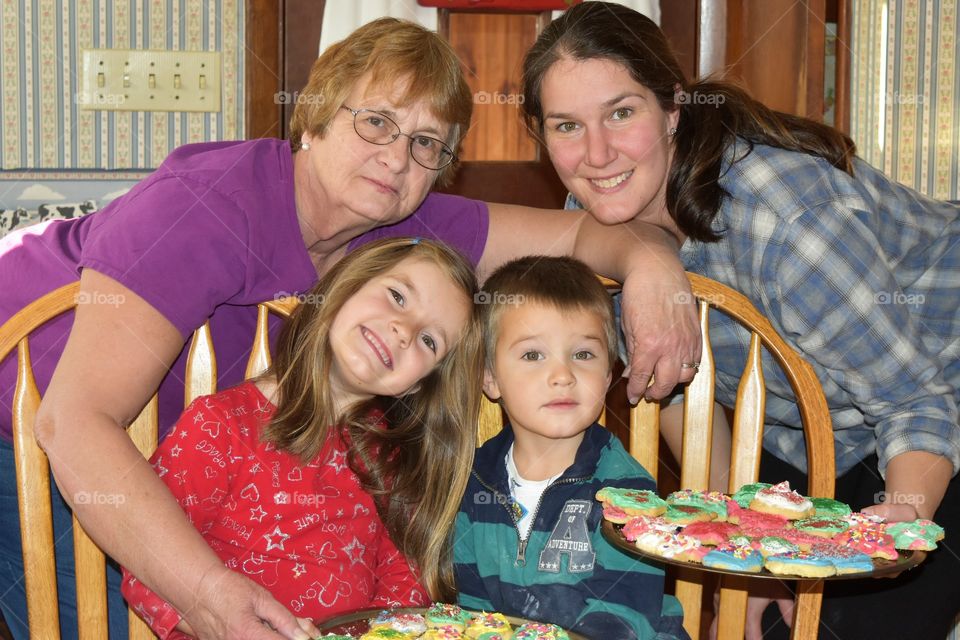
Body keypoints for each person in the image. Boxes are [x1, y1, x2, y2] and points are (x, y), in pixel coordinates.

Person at [0, 16, 703, 640]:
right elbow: (73, 421)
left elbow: (590, 236)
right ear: (313, 117)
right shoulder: (204, 205)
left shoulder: (405, 227)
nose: (397, 158)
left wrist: (654, 269)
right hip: (36, 432)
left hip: (190, 465)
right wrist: (209, 593)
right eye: (376, 122)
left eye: (427, 142)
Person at [519, 3, 960, 639]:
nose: (596, 154)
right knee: (774, 618)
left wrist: (899, 522)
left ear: (673, 109)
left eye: (622, 112)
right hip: (826, 429)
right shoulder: (595, 217)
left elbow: (917, 401)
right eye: (566, 126)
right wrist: (748, 548)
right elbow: (667, 383)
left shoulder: (790, 224)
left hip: (935, 391)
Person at [121, 237, 482, 637]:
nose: (403, 330)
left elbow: (404, 594)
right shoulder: (219, 426)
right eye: (397, 296)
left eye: (429, 341)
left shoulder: (395, 465)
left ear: (417, 386)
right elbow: (149, 564)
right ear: (346, 286)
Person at [454, 256, 688, 640]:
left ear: (608, 374)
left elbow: (624, 617)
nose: (562, 375)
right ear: (491, 378)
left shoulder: (626, 491)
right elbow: (471, 608)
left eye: (583, 355)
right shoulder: (473, 480)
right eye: (533, 355)